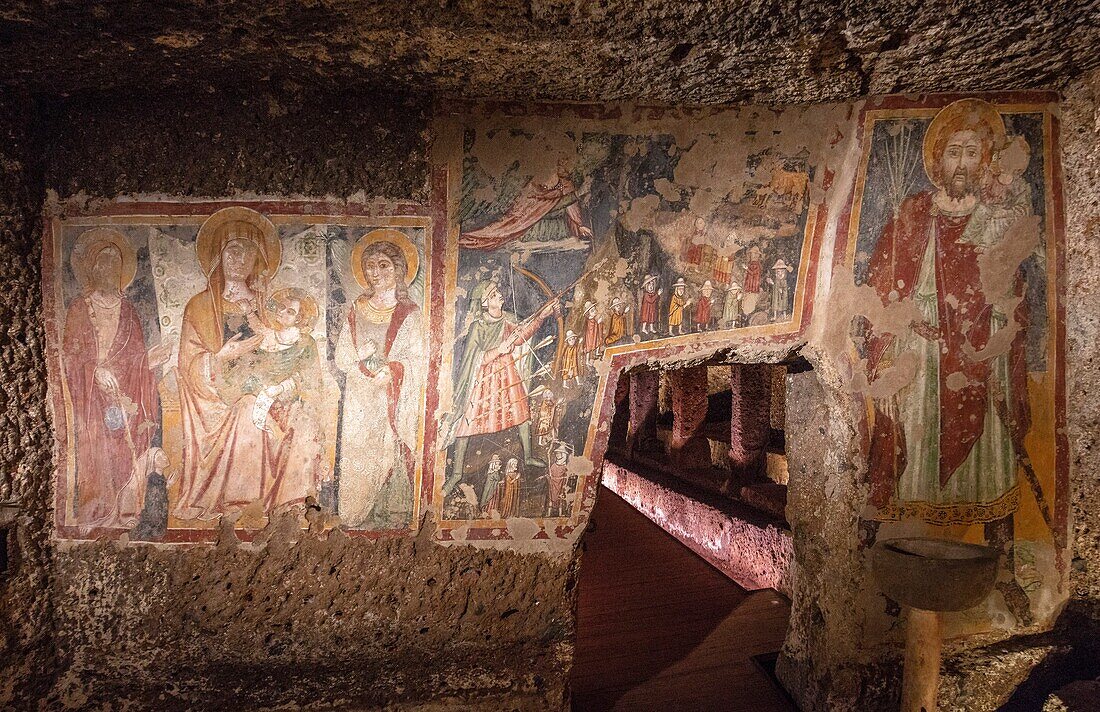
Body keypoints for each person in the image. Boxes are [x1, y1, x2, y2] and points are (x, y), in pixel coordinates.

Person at [861, 99, 1034, 623]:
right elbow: (879, 286)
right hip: (918, 359)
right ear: (938, 159)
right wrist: (889, 338)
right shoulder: (912, 212)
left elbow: (1013, 291)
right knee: (905, 453)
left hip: (977, 358)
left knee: (993, 453)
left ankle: (1001, 566)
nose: (962, 163)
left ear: (985, 161)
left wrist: (1003, 319)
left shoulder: (998, 219)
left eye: (972, 153)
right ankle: (879, 563)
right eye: (953, 152)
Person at [174, 208, 322, 522]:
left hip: (274, 391)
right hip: (219, 397)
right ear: (219, 255)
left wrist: (287, 387)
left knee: (303, 420)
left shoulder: (270, 306)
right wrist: (220, 357)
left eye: (249, 252)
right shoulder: (200, 306)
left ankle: (291, 502)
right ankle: (242, 502)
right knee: (247, 410)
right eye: (233, 250)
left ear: (258, 260)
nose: (240, 259)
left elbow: (291, 350)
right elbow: (188, 365)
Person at [62, 229, 168, 528]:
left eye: (114, 263)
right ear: (91, 268)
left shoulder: (129, 310)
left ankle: (124, 510)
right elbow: (70, 356)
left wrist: (149, 360)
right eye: (101, 262)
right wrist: (94, 370)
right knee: (95, 441)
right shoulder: (79, 309)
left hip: (124, 397)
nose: (108, 269)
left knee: (128, 439)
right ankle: (97, 512)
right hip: (90, 398)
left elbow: (133, 359)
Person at [335, 233, 425, 530]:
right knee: (359, 456)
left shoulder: (410, 313)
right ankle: (355, 515)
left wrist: (393, 371)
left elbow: (417, 357)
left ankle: (392, 513)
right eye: (370, 266)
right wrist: (366, 365)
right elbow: (343, 355)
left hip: (393, 398)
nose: (376, 272)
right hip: (360, 398)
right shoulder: (356, 308)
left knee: (390, 452)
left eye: (384, 265)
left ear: (399, 270)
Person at [442, 283, 560, 497]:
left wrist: (542, 316)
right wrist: (499, 350)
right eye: (495, 295)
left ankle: (528, 456)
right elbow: (474, 358)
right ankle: (456, 474)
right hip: (484, 377)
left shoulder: (507, 319)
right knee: (466, 422)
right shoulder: (478, 326)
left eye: (498, 293)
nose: (501, 296)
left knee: (522, 411)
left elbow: (523, 334)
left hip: (507, 372)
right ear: (485, 303)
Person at [544, 443, 571, 517]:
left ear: (563, 454)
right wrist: (548, 476)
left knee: (560, 498)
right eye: (557, 453)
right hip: (553, 484)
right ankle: (549, 514)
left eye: (559, 453)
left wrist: (564, 479)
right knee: (551, 497)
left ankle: (560, 513)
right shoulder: (553, 465)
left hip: (560, 483)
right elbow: (550, 473)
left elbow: (566, 475)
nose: (557, 455)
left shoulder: (564, 466)